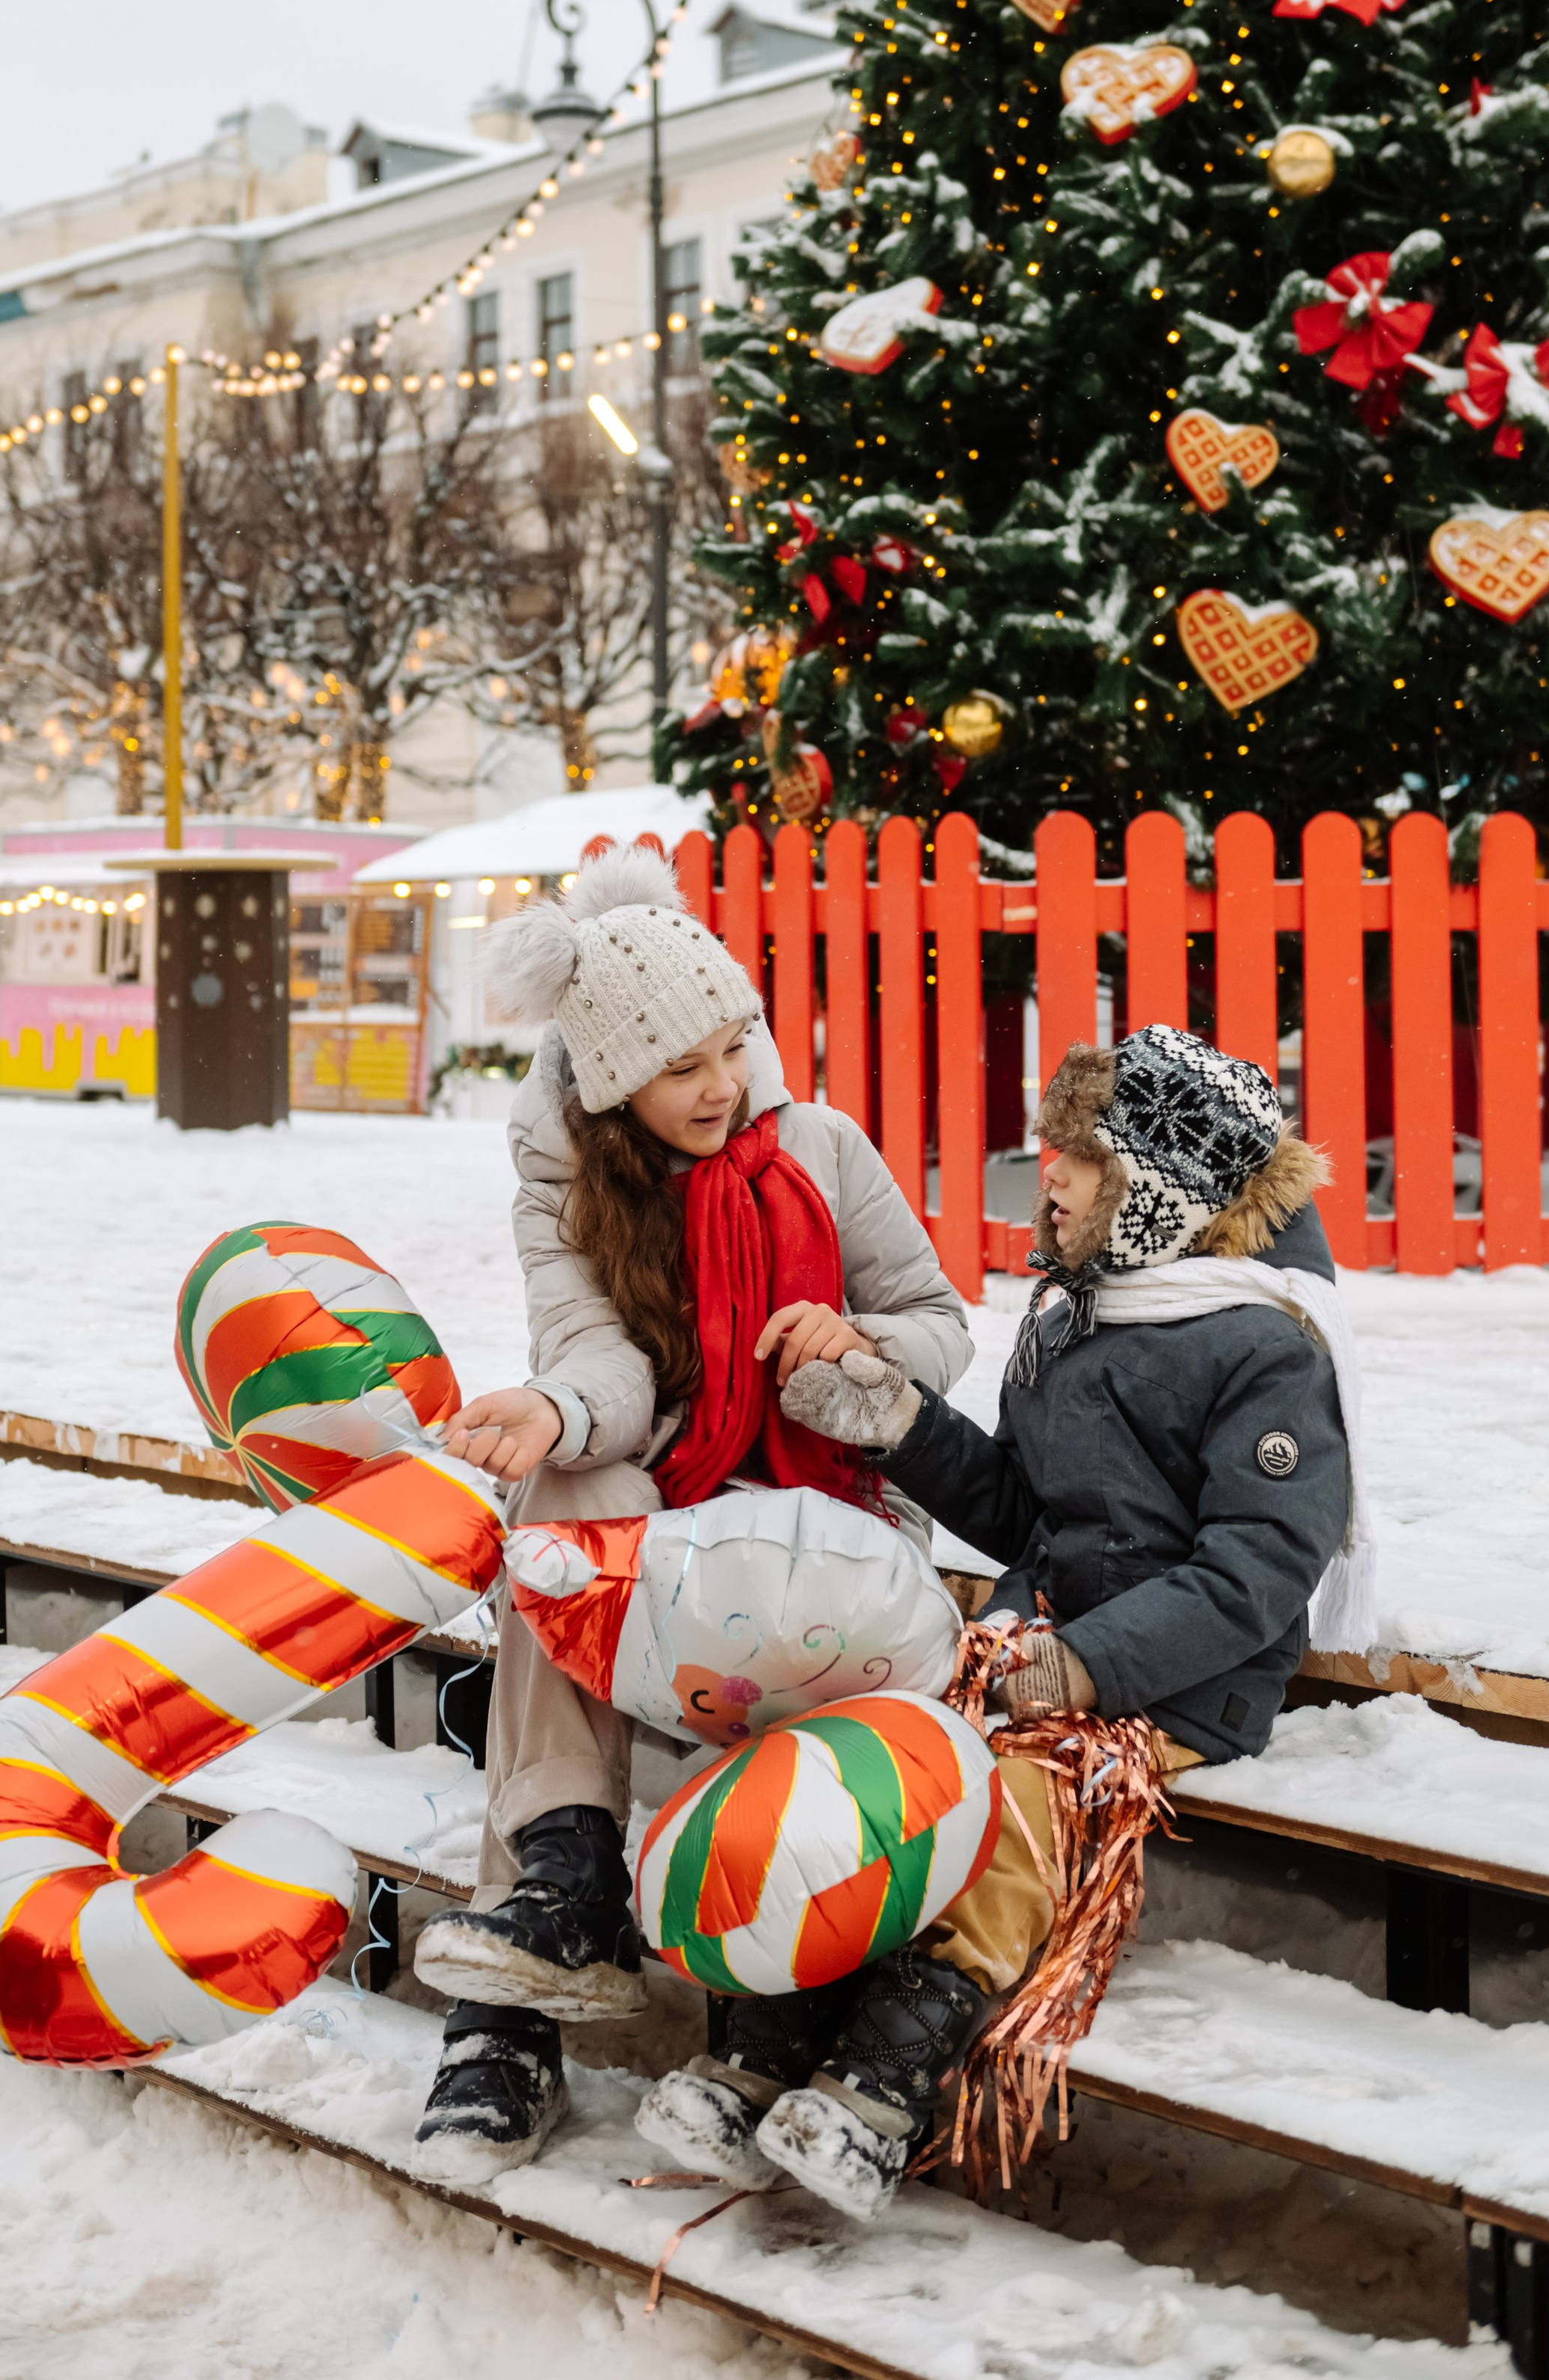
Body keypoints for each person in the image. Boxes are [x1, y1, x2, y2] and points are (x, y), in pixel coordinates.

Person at [637, 1021, 1364, 2222]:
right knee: (880, 1764)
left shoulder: (1264, 1346)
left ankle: (881, 2085)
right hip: (1035, 1647)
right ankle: (763, 2050)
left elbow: (1256, 1571)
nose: (1050, 1177)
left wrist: (1086, 1667)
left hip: (1172, 1684)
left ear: (1155, 1182)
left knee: (1012, 1802)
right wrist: (897, 1421)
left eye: (1077, 1156)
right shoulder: (1083, 1316)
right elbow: (1031, 1511)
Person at [407, 840, 976, 2183]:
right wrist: (554, 1410)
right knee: (561, 1510)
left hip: (828, 1515)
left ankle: (527, 1988)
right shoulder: (570, 1196)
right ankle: (564, 1888)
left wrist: (855, 1357)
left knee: (573, 1554)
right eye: (683, 1067)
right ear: (612, 1085)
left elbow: (942, 1325)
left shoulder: (822, 1150)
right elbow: (594, 1357)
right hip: (677, 1505)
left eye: (737, 1043)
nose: (724, 1084)